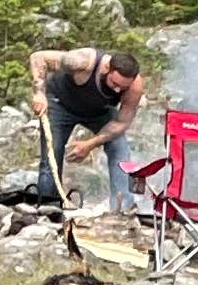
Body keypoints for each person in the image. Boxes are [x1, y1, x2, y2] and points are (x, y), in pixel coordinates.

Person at [29, 40, 145, 218]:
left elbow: (121, 123)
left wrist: (89, 144)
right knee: (52, 153)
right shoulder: (83, 61)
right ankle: (47, 208)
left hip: (99, 112)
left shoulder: (134, 87)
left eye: (123, 87)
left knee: (119, 147)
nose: (117, 90)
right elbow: (39, 58)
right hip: (61, 103)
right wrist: (39, 93)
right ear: (107, 68)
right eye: (114, 83)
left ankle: (122, 207)